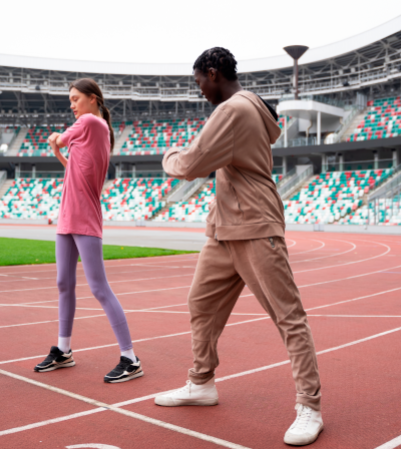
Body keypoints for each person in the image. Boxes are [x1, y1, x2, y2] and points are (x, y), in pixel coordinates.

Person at [154, 48, 323, 445]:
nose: (200, 92)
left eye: (199, 82)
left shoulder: (232, 110)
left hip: (253, 224)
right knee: (202, 302)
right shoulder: (248, 107)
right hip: (224, 227)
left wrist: (168, 155)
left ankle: (310, 406)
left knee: (288, 315)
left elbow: (192, 162)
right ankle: (201, 383)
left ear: (213, 74)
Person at [33, 78, 143, 384]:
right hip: (66, 218)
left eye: (75, 98)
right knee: (63, 283)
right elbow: (73, 168)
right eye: (70, 100)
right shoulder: (88, 130)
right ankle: (64, 350)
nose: (71, 104)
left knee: (98, 287)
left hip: (85, 220)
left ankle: (131, 358)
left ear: (93, 99)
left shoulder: (93, 123)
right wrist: (58, 149)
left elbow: (62, 136)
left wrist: (56, 138)